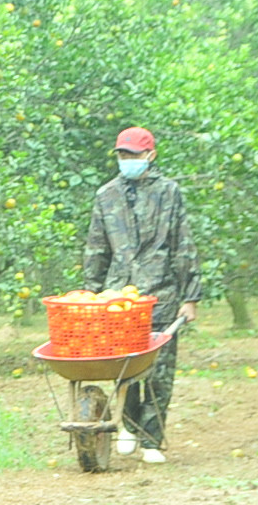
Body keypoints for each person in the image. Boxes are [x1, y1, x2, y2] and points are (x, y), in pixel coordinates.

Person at [82, 126, 201, 464]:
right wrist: (91, 294)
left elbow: (183, 244)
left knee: (159, 368)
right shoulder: (106, 196)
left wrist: (190, 296)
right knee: (126, 367)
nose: (127, 161)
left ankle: (152, 438)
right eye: (122, 155)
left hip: (162, 291)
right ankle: (129, 426)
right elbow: (97, 248)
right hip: (119, 297)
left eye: (133, 155)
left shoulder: (169, 193)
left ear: (150, 155)